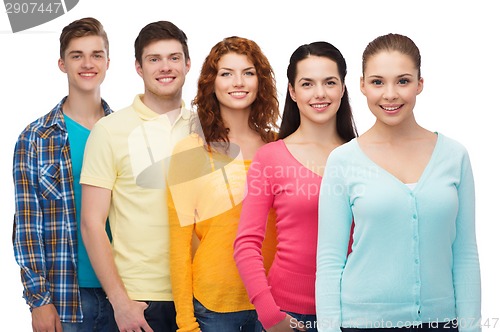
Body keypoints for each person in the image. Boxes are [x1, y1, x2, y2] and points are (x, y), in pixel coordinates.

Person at [316, 33, 481, 332]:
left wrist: (471, 327)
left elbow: (465, 253)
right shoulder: (343, 161)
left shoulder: (454, 156)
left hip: (441, 323)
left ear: (420, 84)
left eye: (403, 81)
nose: (390, 94)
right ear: (363, 85)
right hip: (362, 324)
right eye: (378, 82)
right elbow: (329, 260)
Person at [234, 41, 357, 332]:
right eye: (307, 83)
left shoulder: (364, 157)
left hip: (353, 312)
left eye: (330, 82)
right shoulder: (271, 157)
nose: (320, 94)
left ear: (342, 88)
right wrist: (269, 314)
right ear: (292, 91)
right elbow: (246, 244)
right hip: (288, 315)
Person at [79, 21, 192, 332]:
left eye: (173, 57)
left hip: (201, 295)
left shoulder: (206, 127)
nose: (165, 67)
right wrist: (120, 302)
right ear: (139, 68)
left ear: (187, 64)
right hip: (141, 299)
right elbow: (91, 222)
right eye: (154, 59)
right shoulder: (110, 130)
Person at [167, 36, 280, 332]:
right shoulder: (190, 150)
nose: (238, 82)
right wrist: (185, 323)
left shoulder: (279, 145)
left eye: (248, 73)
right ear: (211, 83)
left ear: (261, 82)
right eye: (226, 73)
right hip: (214, 307)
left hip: (275, 301)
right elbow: (178, 246)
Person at [12, 17, 115, 331]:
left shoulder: (125, 133)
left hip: (126, 292)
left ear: (108, 62)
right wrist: (38, 301)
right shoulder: (34, 138)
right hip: (66, 298)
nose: (88, 63)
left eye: (96, 54)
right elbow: (27, 227)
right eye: (77, 55)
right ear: (62, 63)